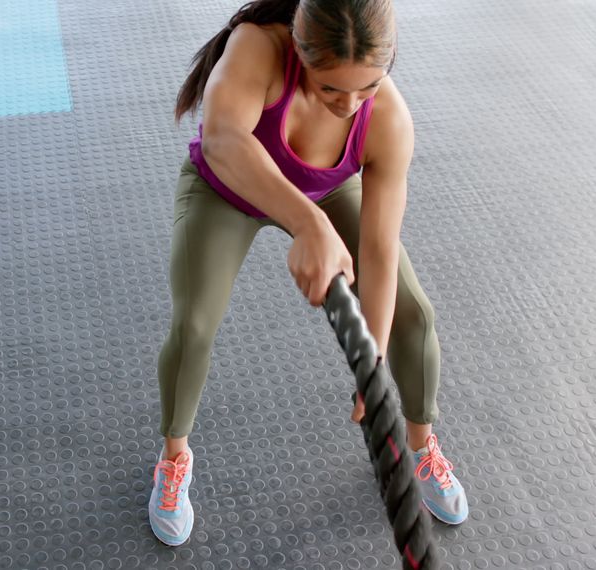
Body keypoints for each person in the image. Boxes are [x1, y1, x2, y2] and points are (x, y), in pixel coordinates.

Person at [148, 0, 469, 546]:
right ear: (300, 52)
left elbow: (379, 251)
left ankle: (419, 444)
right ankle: (174, 457)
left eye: (366, 89)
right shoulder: (257, 45)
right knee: (195, 325)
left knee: (413, 313)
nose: (349, 106)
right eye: (330, 90)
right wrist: (307, 223)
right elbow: (224, 138)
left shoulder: (388, 120)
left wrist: (372, 366)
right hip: (229, 187)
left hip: (325, 190)